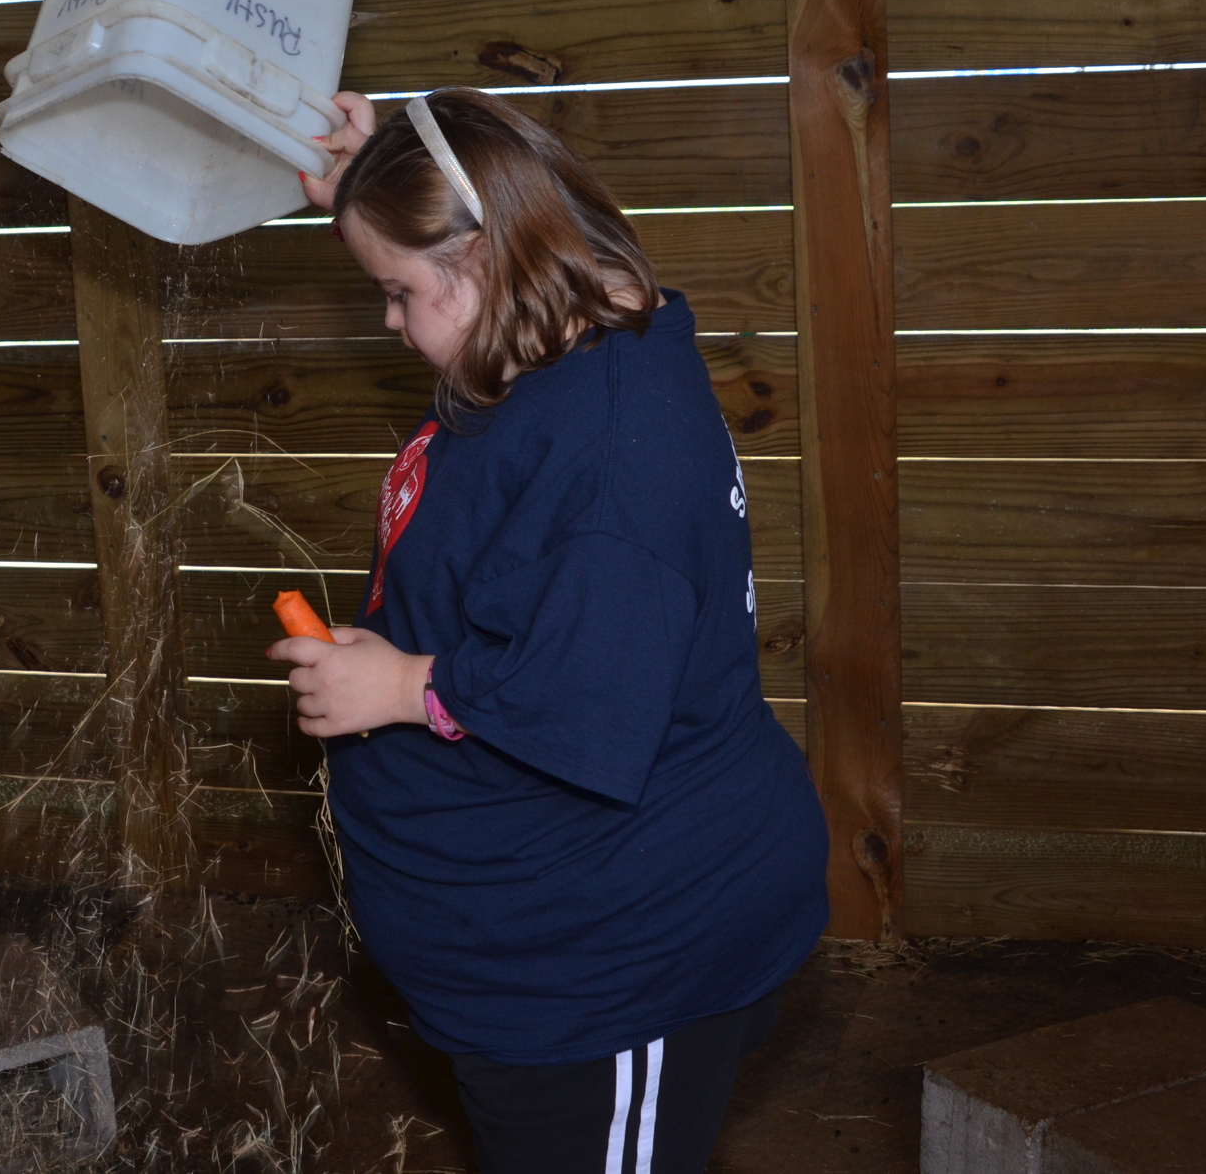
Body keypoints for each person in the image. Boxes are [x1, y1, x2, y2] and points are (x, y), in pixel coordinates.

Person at [266, 88, 830, 1174]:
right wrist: (377, 176)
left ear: (485, 262)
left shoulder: (617, 467)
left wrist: (399, 688)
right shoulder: (563, 332)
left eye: (396, 291)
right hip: (530, 952)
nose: (387, 320)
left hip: (614, 969)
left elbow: (586, 698)